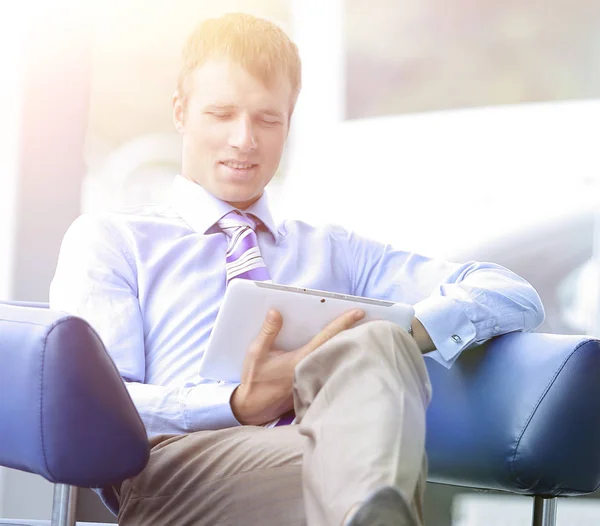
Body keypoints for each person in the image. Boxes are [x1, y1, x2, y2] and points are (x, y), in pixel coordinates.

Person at [49, 12, 545, 526]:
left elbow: (512, 293)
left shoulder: (334, 250)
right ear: (180, 111)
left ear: (289, 120)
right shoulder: (114, 240)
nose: (245, 140)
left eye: (267, 119)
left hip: (329, 456)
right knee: (362, 473)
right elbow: (102, 404)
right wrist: (237, 403)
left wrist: (407, 331)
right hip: (176, 473)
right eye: (221, 114)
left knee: (378, 349)